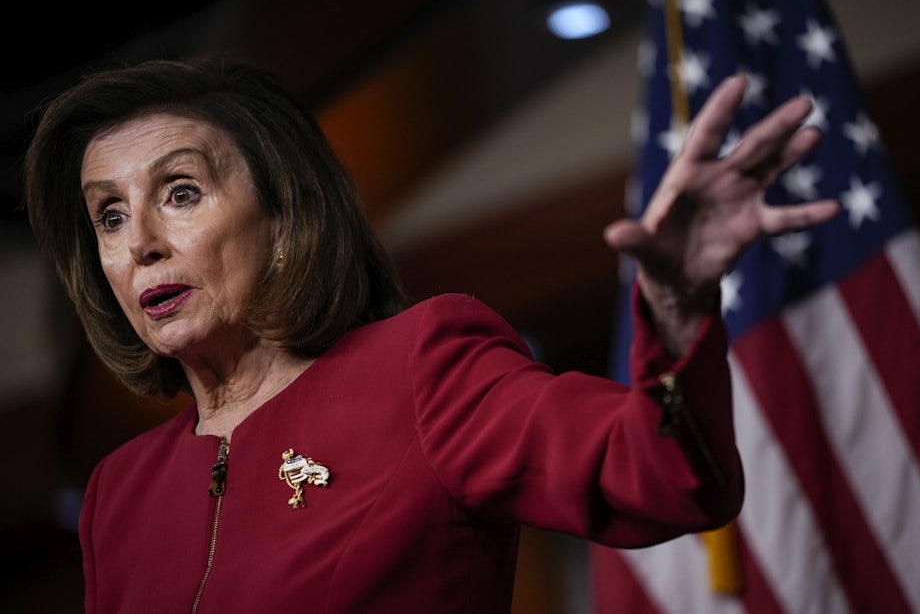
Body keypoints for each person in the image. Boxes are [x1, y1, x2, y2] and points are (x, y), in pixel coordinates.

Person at [23, 58, 838, 613]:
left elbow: (664, 473)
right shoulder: (117, 495)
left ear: (283, 218)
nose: (140, 245)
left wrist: (679, 306)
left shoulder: (421, 367)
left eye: (181, 191)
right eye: (111, 215)